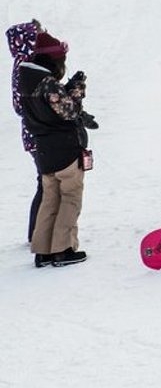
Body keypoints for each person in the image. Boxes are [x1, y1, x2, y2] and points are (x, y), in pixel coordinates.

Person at [19, 28, 89, 267]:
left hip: (43, 149)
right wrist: (77, 91)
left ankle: (43, 251)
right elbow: (69, 112)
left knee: (50, 199)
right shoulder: (47, 83)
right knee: (70, 198)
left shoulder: (26, 82)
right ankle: (63, 249)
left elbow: (51, 109)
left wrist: (66, 90)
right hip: (65, 148)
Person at [8, 20, 46, 243]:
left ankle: (36, 231)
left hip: (34, 131)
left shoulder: (25, 63)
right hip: (37, 131)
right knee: (46, 183)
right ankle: (36, 232)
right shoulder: (26, 66)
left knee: (45, 182)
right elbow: (21, 104)